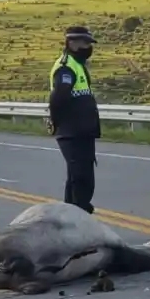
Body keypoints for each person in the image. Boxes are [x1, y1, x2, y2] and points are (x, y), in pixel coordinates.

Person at [46, 26, 102, 214]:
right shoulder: (65, 67)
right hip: (72, 131)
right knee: (81, 178)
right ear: (72, 43)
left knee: (77, 178)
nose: (88, 47)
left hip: (84, 130)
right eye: (85, 43)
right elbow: (58, 97)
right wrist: (55, 121)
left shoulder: (78, 66)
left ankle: (70, 217)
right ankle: (79, 217)